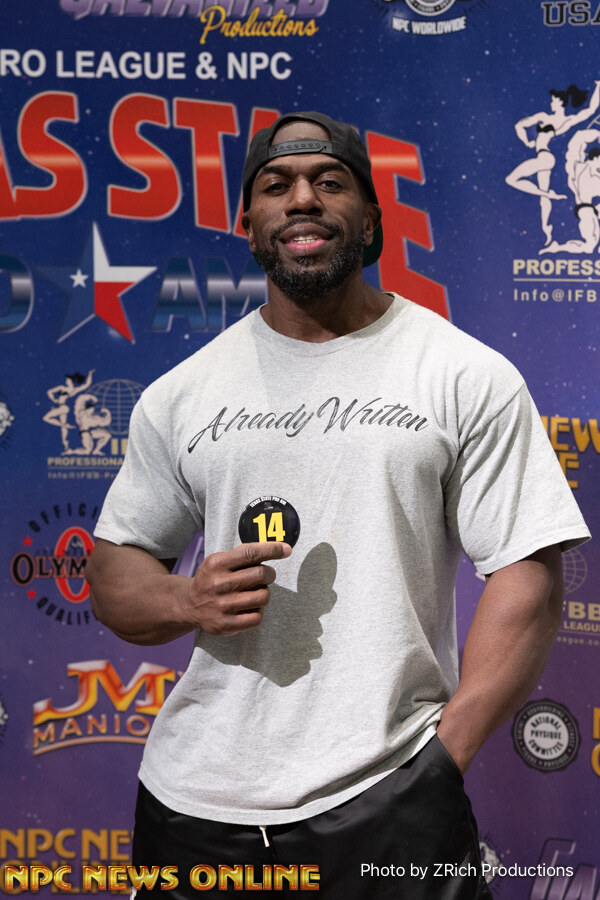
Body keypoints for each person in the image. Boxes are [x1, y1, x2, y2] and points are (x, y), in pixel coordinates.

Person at [86, 111, 590, 899]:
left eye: (330, 182)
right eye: (276, 185)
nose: (302, 200)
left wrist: (440, 759)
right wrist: (186, 598)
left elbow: (529, 573)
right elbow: (114, 570)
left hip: (391, 799)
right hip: (193, 808)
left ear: (372, 220)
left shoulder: (462, 374)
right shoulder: (182, 394)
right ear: (247, 223)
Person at [505, 82, 600, 246]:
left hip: (544, 157)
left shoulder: (552, 118)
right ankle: (546, 231)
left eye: (553, 101)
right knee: (543, 198)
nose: (550, 103)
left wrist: (528, 142)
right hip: (546, 158)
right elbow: (519, 125)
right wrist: (526, 141)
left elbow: (590, 111)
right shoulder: (558, 119)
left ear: (560, 102)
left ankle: (550, 195)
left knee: (511, 179)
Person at [540, 128, 600, 255]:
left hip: (590, 210)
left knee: (590, 246)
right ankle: (557, 248)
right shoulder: (580, 169)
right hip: (586, 211)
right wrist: (597, 134)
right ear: (595, 158)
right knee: (589, 246)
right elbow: (578, 140)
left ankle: (557, 247)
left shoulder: (591, 174)